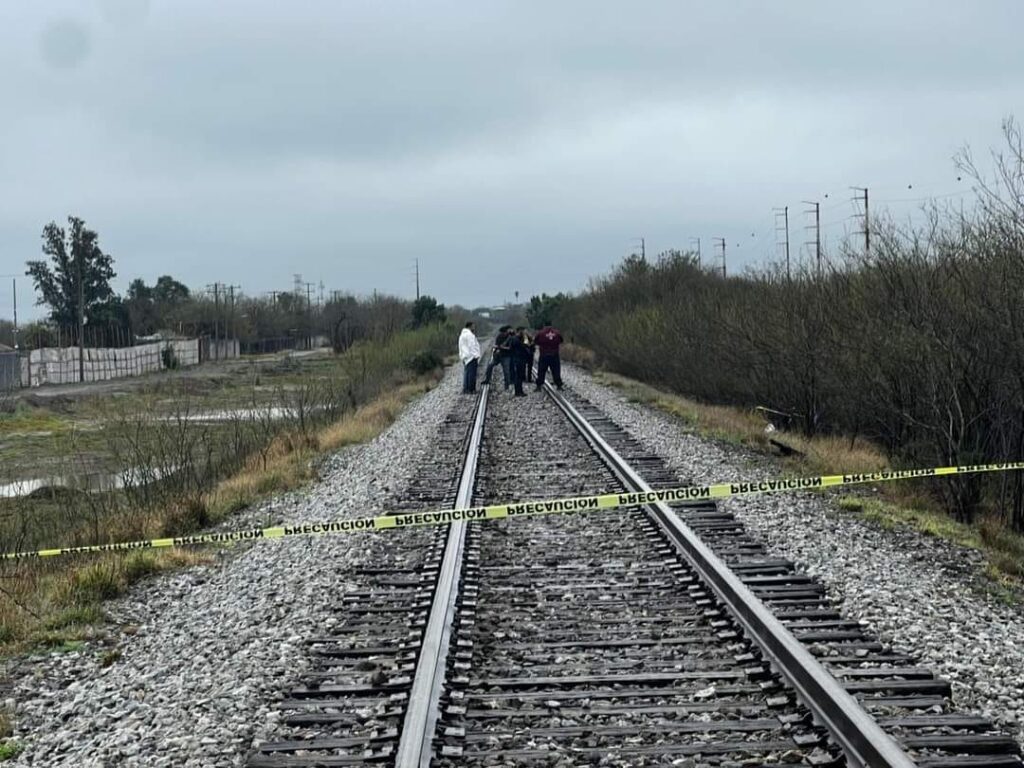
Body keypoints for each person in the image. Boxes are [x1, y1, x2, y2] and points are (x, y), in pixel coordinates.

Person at [534, 324, 564, 390]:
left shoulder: (540, 333)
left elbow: (536, 341)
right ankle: (559, 385)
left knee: (541, 371)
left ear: (544, 325)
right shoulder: (557, 332)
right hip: (554, 354)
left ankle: (539, 386)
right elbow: (561, 340)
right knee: (556, 370)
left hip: (544, 354)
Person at [458, 321, 481, 394]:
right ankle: (471, 389)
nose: (474, 328)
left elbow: (461, 346)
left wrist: (462, 355)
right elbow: (472, 346)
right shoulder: (469, 335)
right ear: (470, 326)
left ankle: (466, 388)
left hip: (465, 356)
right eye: (473, 326)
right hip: (471, 356)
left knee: (467, 373)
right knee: (472, 374)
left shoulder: (462, 335)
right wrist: (476, 355)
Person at [505, 326, 528, 396]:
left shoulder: (514, 338)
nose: (525, 332)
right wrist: (525, 338)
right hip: (519, 359)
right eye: (523, 331)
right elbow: (525, 345)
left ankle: (519, 391)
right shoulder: (517, 339)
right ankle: (518, 392)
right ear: (520, 331)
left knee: (519, 376)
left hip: (517, 358)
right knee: (519, 376)